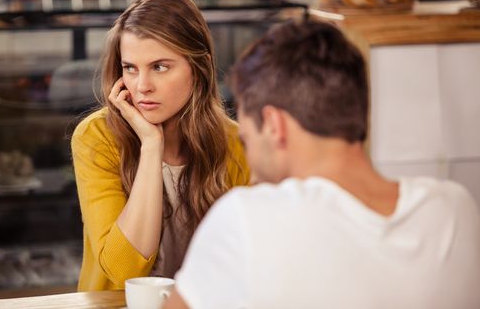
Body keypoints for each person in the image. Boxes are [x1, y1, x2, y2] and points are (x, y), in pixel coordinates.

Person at [164, 19, 480, 308]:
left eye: (246, 140)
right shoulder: (454, 210)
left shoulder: (245, 219)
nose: (252, 167)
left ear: (274, 125)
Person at [71, 0, 249, 291]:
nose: (142, 87)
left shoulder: (235, 144)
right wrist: (151, 146)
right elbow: (123, 270)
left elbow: (244, 266)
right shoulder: (96, 138)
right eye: (130, 68)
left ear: (199, 67)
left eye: (160, 67)